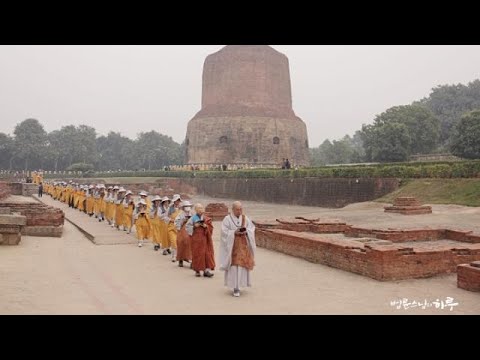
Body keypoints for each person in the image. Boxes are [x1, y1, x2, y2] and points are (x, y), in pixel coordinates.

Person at [219, 201, 256, 297]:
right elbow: (224, 232)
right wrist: (234, 232)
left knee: (242, 265)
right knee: (234, 266)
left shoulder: (245, 218)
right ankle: (235, 288)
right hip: (233, 247)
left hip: (243, 246)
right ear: (233, 209)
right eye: (237, 209)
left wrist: (246, 231)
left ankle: (241, 285)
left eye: (241, 209)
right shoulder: (227, 219)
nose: (239, 211)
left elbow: (251, 228)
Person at [186, 203, 215, 278]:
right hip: (196, 240)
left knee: (207, 254)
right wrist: (194, 226)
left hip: (205, 239)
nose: (200, 210)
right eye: (198, 208)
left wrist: (206, 227)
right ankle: (197, 270)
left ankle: (206, 270)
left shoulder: (206, 218)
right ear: (195, 210)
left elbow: (211, 228)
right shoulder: (192, 218)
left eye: (201, 208)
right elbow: (187, 227)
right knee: (197, 254)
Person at [174, 201, 193, 267]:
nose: (187, 208)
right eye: (186, 206)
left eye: (188, 206)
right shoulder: (180, 214)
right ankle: (180, 260)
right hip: (182, 231)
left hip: (190, 231)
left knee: (191, 244)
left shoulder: (192, 214)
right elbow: (176, 223)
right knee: (181, 243)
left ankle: (191, 261)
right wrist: (183, 221)